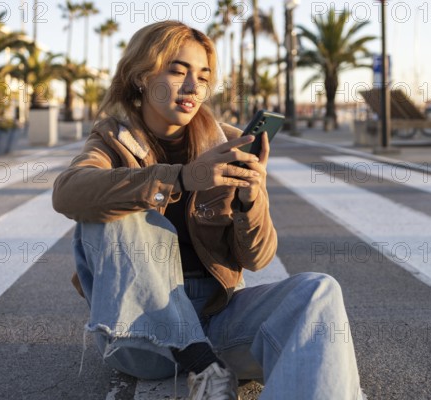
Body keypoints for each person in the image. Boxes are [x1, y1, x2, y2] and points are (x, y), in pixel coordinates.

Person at [53, 20, 363, 400]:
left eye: (202, 77)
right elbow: (68, 193)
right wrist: (182, 177)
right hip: (144, 336)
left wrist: (252, 199)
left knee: (319, 290)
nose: (191, 88)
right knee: (118, 208)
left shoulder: (228, 142)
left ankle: (209, 365)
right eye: (177, 70)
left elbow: (258, 258)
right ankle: (197, 358)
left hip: (220, 322)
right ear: (141, 77)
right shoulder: (112, 139)